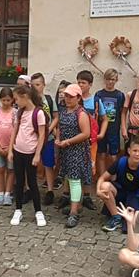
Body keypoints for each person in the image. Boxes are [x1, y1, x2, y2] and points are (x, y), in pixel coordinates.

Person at [54, 83, 92, 228]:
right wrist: (58, 138)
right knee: (70, 178)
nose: (67, 99)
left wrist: (68, 141)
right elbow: (60, 127)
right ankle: (76, 206)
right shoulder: (64, 111)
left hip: (77, 151)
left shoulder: (81, 113)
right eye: (66, 96)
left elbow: (86, 133)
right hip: (66, 151)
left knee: (75, 180)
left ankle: (74, 213)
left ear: (78, 98)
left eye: (71, 96)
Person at [10, 83, 47, 227]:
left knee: (32, 182)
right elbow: (15, 131)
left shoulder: (39, 113)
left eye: (16, 99)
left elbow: (42, 135)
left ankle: (38, 211)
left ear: (25, 97)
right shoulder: (20, 112)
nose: (16, 102)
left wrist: (37, 154)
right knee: (19, 182)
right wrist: (10, 150)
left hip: (31, 152)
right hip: (18, 151)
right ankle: (18, 209)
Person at [97, 136, 139, 233]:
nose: (137, 154)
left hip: (135, 196)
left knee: (131, 226)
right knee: (104, 186)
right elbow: (102, 178)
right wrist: (98, 190)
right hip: (120, 192)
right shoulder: (121, 162)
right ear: (129, 151)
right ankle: (116, 217)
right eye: (135, 150)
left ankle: (130, 214)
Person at [31, 72, 59, 206]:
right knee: (31, 164)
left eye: (37, 84)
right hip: (33, 138)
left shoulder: (48, 99)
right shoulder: (30, 100)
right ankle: (30, 189)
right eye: (33, 85)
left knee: (48, 164)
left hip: (48, 138)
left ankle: (50, 190)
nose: (35, 87)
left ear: (43, 85)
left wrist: (49, 129)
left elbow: (56, 117)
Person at [94, 68, 126, 179]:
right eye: (108, 79)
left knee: (113, 156)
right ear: (104, 79)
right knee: (101, 154)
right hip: (101, 129)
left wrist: (123, 127)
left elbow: (122, 112)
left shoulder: (120, 95)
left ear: (116, 80)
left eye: (113, 79)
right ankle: (102, 178)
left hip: (114, 129)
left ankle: (115, 179)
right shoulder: (99, 94)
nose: (110, 82)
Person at [76, 69, 98, 209]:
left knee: (89, 168)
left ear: (90, 84)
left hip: (90, 141)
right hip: (76, 140)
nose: (80, 85)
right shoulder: (74, 98)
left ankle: (87, 196)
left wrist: (100, 134)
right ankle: (71, 196)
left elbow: (104, 118)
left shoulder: (95, 100)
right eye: (78, 82)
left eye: (83, 82)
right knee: (74, 168)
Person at [0, 87, 17, 206]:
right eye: (3, 100)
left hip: (11, 147)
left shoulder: (15, 112)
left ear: (12, 100)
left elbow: (16, 131)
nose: (6, 102)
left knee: (11, 170)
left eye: (8, 100)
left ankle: (8, 193)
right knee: (0, 169)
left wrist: (10, 148)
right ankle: (1, 192)